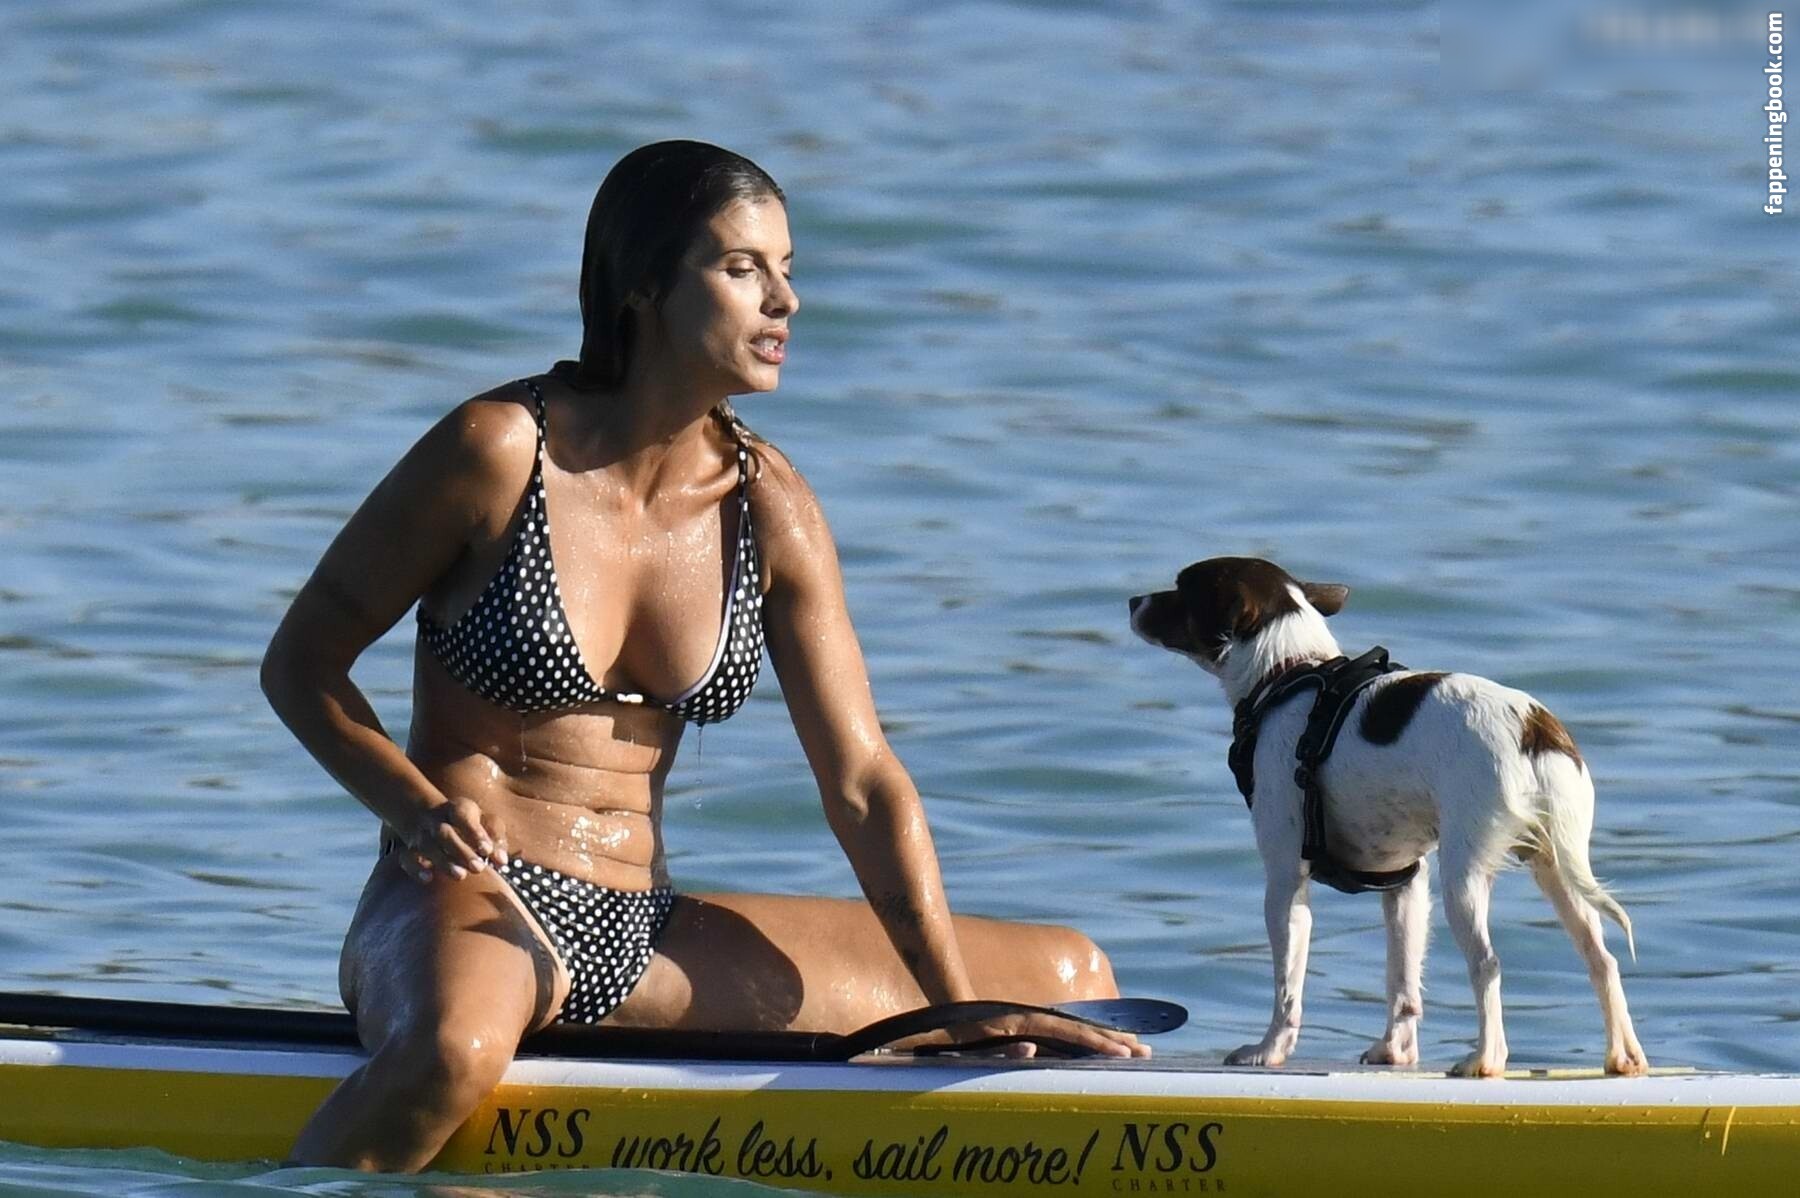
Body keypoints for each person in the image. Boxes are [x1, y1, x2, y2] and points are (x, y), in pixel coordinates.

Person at [261, 139, 1144, 1173]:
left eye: (788, 268)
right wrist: (414, 808)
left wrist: (955, 1011)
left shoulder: (770, 506)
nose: (785, 301)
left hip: (644, 931)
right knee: (449, 1057)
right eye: (741, 267)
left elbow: (862, 781)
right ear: (643, 286)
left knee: (1071, 977)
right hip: (462, 903)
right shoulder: (498, 451)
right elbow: (302, 663)